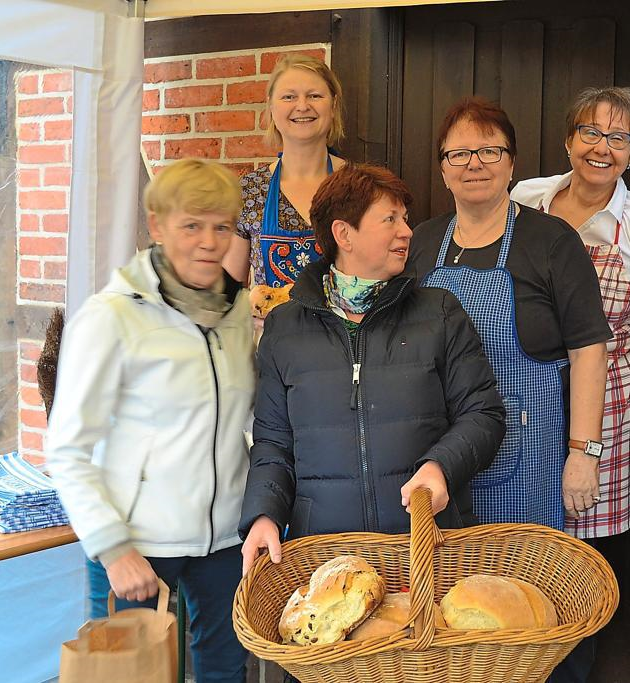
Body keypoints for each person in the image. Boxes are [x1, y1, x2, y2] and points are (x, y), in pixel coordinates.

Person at [407, 97, 610, 683]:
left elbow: (588, 348)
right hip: (441, 457)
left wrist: (584, 453)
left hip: (534, 456)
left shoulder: (550, 241)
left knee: (532, 608)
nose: (475, 162)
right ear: (443, 167)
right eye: (460, 152)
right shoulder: (420, 244)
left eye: (490, 149)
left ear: (512, 163)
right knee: (454, 609)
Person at [46, 159, 254, 683]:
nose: (209, 242)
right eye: (191, 226)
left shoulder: (237, 311)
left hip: (223, 541)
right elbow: (67, 450)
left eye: (222, 227)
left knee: (226, 673)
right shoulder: (110, 316)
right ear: (157, 226)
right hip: (137, 544)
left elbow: (242, 420)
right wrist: (113, 548)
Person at [239, 163, 505, 571]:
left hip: (426, 549)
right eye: (390, 219)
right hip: (325, 560)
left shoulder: (440, 313)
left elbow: (483, 414)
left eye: (405, 218)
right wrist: (263, 515)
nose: (407, 231)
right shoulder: (284, 328)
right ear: (344, 234)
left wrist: (440, 466)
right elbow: (273, 444)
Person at [511, 85, 630, 680]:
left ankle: (575, 663)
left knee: (585, 550)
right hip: (525, 388)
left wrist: (609, 353)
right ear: (567, 139)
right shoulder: (526, 199)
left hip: (607, 401)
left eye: (618, 136)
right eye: (590, 132)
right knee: (525, 530)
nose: (601, 147)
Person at [225, 54, 348, 291]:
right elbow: (230, 291)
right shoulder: (249, 190)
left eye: (314, 95)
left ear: (332, 105)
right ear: (272, 107)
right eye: (289, 97)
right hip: (271, 329)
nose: (302, 106)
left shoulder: (361, 185)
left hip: (343, 328)